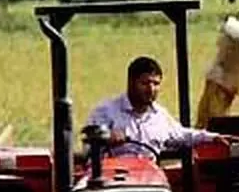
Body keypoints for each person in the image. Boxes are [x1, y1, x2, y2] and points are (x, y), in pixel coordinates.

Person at [85, 55, 228, 158]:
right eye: (145, 83)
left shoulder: (160, 116)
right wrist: (106, 139)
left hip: (151, 180)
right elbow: (88, 148)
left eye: (156, 84)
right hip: (116, 181)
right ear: (130, 83)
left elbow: (183, 135)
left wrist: (213, 137)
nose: (151, 89)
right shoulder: (106, 112)